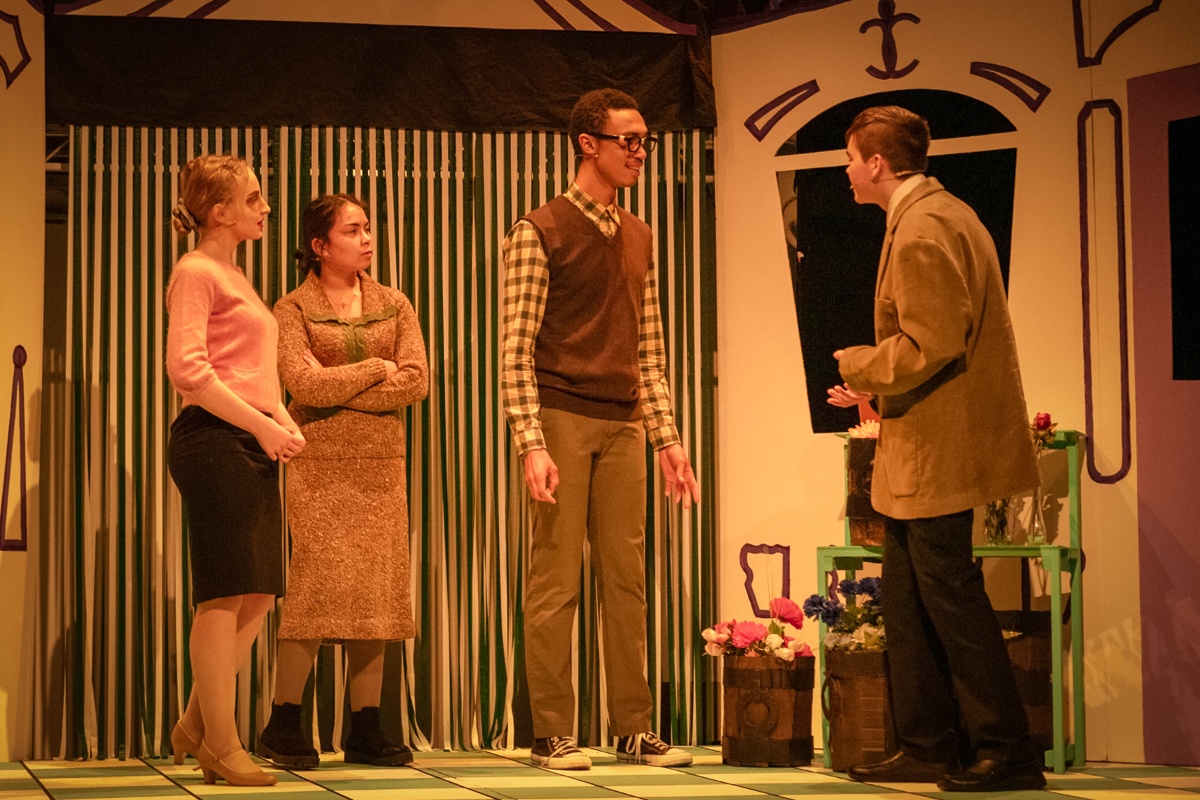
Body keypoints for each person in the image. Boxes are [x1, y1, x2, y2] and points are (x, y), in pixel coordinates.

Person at [826, 106, 1046, 793]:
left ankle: (1007, 748)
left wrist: (860, 364)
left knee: (949, 596)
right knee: (909, 597)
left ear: (877, 164)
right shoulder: (939, 214)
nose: (845, 170)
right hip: (923, 445)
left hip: (938, 446)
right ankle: (927, 743)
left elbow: (934, 341)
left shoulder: (924, 227)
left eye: (851, 158)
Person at [501, 88, 701, 771]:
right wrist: (531, 442)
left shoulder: (639, 234)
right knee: (555, 577)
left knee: (626, 580)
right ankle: (551, 731)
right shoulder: (540, 229)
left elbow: (649, 347)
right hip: (561, 413)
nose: (640, 152)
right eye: (628, 140)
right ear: (588, 144)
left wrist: (668, 439)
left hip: (625, 421)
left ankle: (633, 728)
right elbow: (515, 348)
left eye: (645, 141)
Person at [255, 194, 429, 769]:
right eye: (352, 230)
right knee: (315, 586)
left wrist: (341, 383)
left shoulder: (394, 303)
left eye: (367, 228)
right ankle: (283, 723)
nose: (366, 238)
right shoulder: (292, 308)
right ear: (320, 246)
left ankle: (366, 727)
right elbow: (302, 385)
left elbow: (416, 381)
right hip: (319, 460)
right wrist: (376, 369)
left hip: (381, 462)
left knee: (375, 589)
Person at [166, 154, 305, 787]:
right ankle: (220, 745)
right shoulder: (195, 271)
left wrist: (280, 418)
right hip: (213, 440)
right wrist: (261, 424)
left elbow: (252, 371)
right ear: (219, 211)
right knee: (223, 591)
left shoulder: (236, 274)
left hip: (248, 436)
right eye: (253, 198)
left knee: (259, 589)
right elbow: (188, 370)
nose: (265, 207)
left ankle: (196, 722)